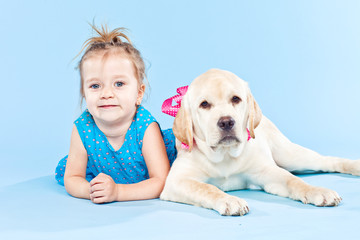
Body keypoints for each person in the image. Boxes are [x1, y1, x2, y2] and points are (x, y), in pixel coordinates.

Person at [55, 24, 177, 204]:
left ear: (139, 93)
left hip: (144, 175)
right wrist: (93, 190)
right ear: (84, 92)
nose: (106, 94)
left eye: (119, 84)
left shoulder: (145, 126)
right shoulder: (83, 127)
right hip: (102, 172)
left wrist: (118, 192)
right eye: (95, 86)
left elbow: (161, 181)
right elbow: (72, 178)